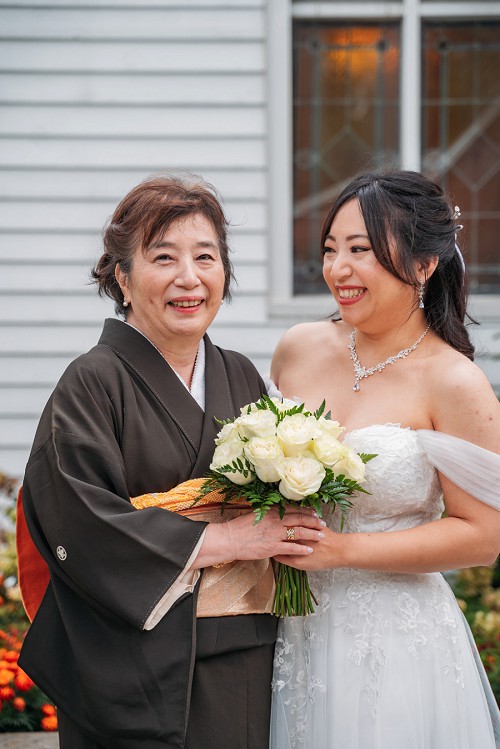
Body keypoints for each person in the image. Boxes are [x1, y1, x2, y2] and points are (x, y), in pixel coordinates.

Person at [17, 175, 325, 749]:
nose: (190, 278)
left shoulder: (240, 374)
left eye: (206, 257)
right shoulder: (93, 381)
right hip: (130, 661)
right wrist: (231, 540)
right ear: (122, 278)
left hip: (241, 653)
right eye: (164, 257)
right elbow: (80, 525)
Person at [269, 170, 500, 748]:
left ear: (424, 266)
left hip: (397, 644)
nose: (337, 269)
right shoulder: (299, 347)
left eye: (361, 250)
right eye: (330, 249)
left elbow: (483, 536)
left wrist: (344, 552)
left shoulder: (454, 381)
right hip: (290, 631)